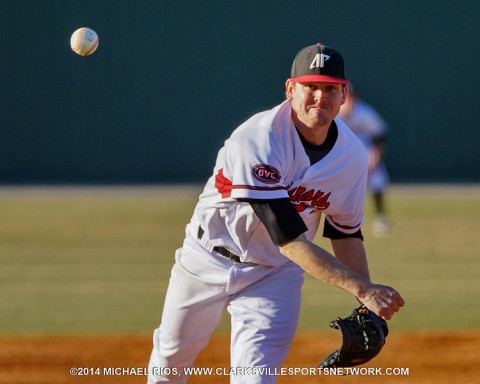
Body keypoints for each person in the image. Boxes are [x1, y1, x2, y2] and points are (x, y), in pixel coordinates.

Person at [147, 43, 404, 384]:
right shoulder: (257, 140)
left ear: (343, 95)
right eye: (311, 86)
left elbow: (345, 232)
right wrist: (363, 288)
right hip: (207, 259)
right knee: (171, 361)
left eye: (330, 88)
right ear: (290, 89)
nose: (320, 97)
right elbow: (287, 238)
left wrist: (365, 303)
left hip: (274, 276)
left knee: (255, 377)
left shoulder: (352, 156)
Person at [338, 87, 393, 237]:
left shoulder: (363, 112)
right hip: (340, 157)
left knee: (377, 180)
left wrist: (376, 156)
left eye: (351, 97)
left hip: (364, 154)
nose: (349, 100)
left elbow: (379, 135)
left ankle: (381, 218)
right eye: (345, 97)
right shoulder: (332, 113)